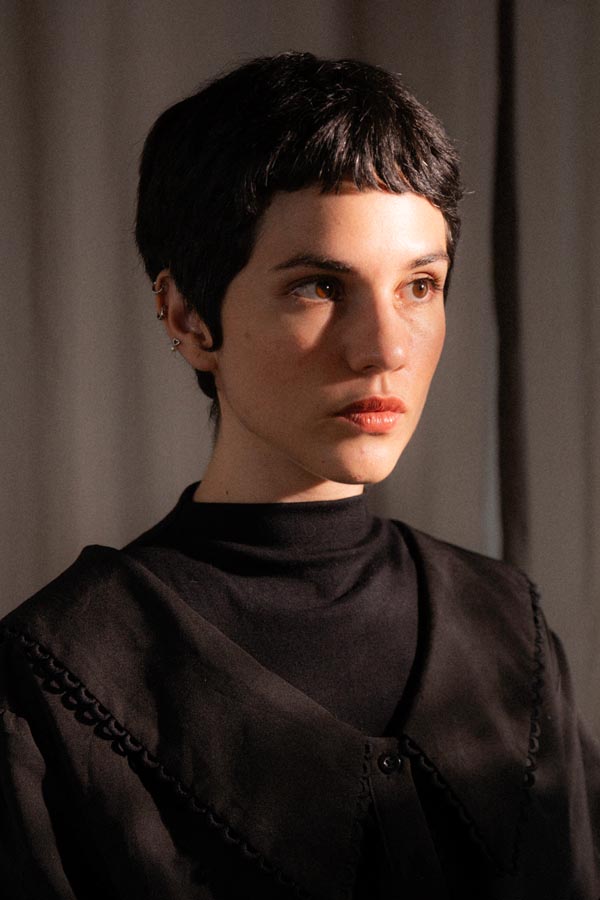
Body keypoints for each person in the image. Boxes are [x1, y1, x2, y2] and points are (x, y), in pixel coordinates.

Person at [1, 51, 598, 900]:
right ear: (188, 318)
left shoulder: (510, 627)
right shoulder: (56, 678)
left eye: (420, 286)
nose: (385, 349)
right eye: (320, 286)